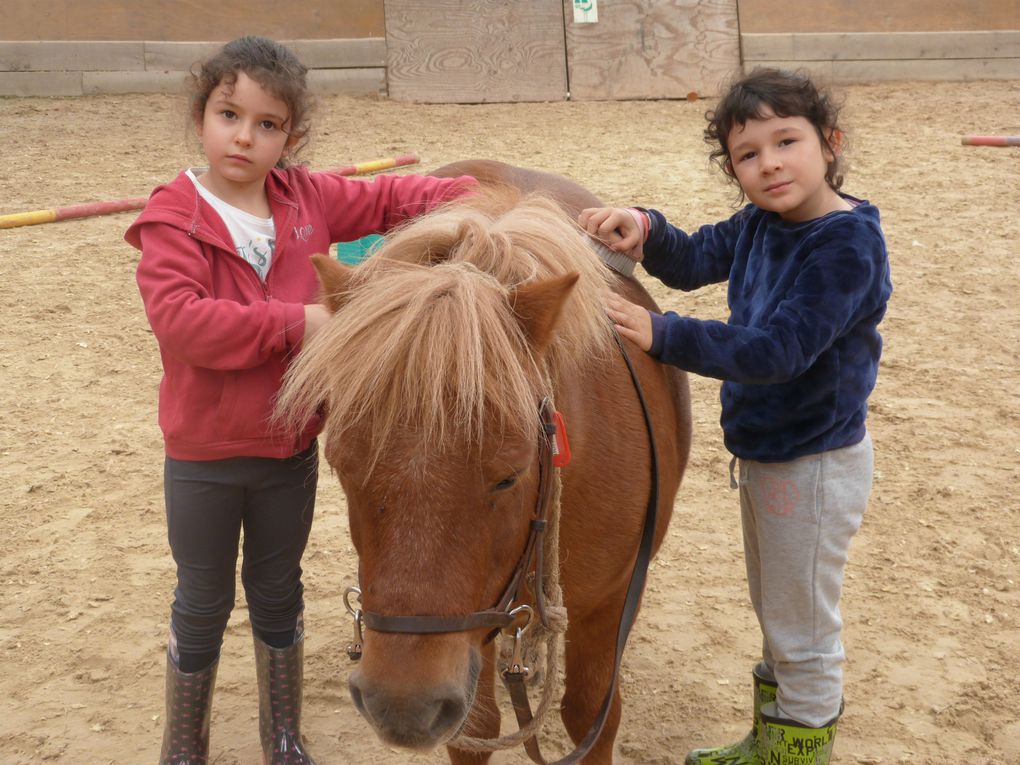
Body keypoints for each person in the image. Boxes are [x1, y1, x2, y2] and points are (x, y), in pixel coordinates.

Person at [125, 36, 475, 765]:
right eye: (229, 114)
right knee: (202, 600)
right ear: (201, 117)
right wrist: (300, 321)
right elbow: (183, 322)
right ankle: (181, 743)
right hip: (204, 458)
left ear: (292, 136)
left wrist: (475, 198)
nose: (244, 137)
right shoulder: (174, 216)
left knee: (279, 593)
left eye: (267, 124)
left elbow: (392, 196)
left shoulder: (305, 196)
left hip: (288, 452)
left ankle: (283, 736)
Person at [579, 68, 892, 765]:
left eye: (787, 141)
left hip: (812, 463)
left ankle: (796, 754)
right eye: (748, 154)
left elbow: (780, 351)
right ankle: (770, 740)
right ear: (734, 169)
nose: (770, 163)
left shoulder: (845, 247)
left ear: (829, 143)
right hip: (771, 454)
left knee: (801, 622)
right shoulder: (762, 222)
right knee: (778, 607)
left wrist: (666, 336)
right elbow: (693, 260)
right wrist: (647, 229)